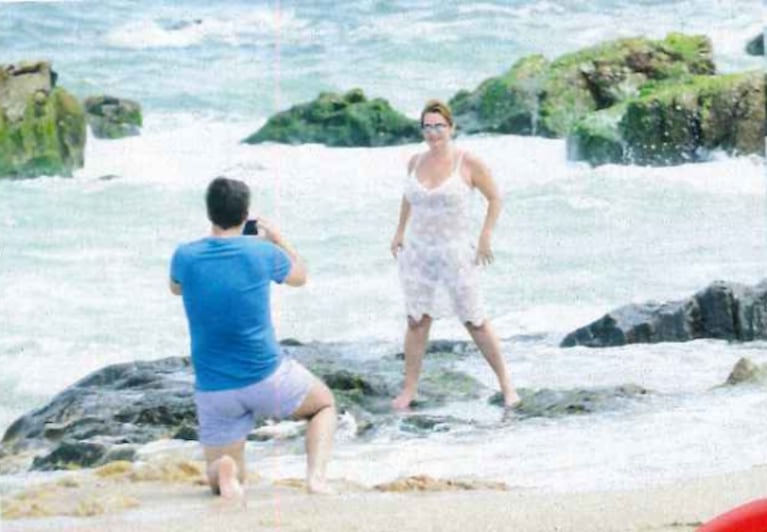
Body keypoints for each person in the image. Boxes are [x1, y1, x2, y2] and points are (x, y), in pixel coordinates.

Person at [170, 176, 336, 498]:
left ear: (209, 213)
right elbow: (300, 276)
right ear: (246, 214)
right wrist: (277, 239)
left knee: (223, 476)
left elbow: (176, 287)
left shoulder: (185, 256)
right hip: (267, 376)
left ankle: (224, 472)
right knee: (323, 406)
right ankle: (316, 479)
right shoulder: (262, 252)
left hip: (215, 387)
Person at [390, 99, 520, 411]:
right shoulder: (414, 161)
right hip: (419, 252)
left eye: (439, 126)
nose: (433, 132)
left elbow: (495, 197)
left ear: (451, 128)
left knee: (474, 320)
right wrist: (399, 231)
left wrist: (485, 236)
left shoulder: (468, 162)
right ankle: (409, 390)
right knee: (417, 320)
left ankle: (507, 385)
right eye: (427, 126)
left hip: (455, 252)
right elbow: (409, 197)